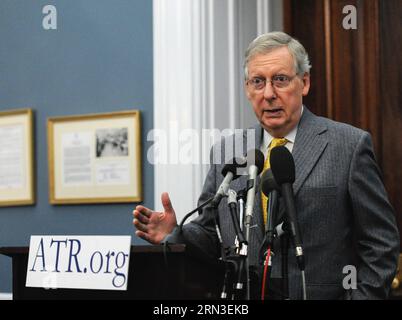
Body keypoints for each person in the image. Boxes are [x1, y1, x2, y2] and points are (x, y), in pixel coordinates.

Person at [133, 31, 400, 299]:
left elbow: (380, 242)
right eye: (258, 82)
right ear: (247, 89)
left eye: (280, 80)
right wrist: (176, 233)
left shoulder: (348, 146)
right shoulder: (227, 151)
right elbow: (211, 234)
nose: (269, 94)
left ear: (304, 82)